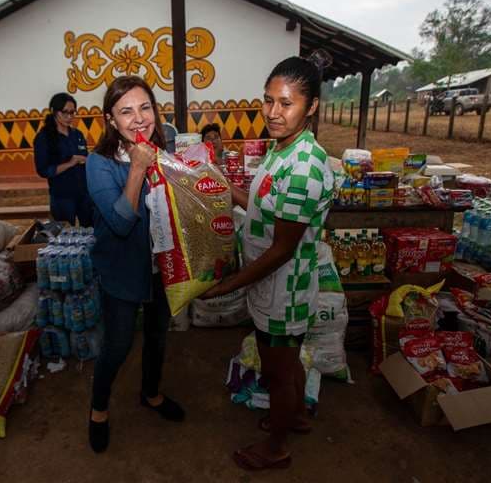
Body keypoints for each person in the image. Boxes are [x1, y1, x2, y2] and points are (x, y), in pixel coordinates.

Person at [201, 52, 334, 471]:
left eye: (286, 103)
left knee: (278, 372)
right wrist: (223, 186)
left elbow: (282, 250)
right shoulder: (282, 149)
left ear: (311, 107)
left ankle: (277, 447)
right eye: (268, 100)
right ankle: (293, 416)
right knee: (287, 361)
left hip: (283, 287)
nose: (273, 113)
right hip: (271, 282)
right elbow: (261, 206)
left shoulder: (305, 167)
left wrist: (229, 285)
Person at [85, 76, 184, 453]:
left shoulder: (164, 149)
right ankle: (98, 410)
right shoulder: (98, 164)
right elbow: (122, 222)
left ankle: (152, 394)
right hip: (121, 270)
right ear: (111, 120)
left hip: (161, 267)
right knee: (118, 345)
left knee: (158, 336)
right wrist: (138, 168)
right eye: (126, 111)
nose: (139, 118)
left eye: (145, 107)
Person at [34, 92, 93, 227]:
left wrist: (88, 160)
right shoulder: (44, 138)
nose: (69, 117)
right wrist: (70, 163)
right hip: (62, 197)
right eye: (65, 112)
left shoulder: (77, 135)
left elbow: (85, 156)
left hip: (84, 194)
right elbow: (43, 170)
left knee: (91, 231)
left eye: (72, 113)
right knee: (64, 234)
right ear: (54, 111)